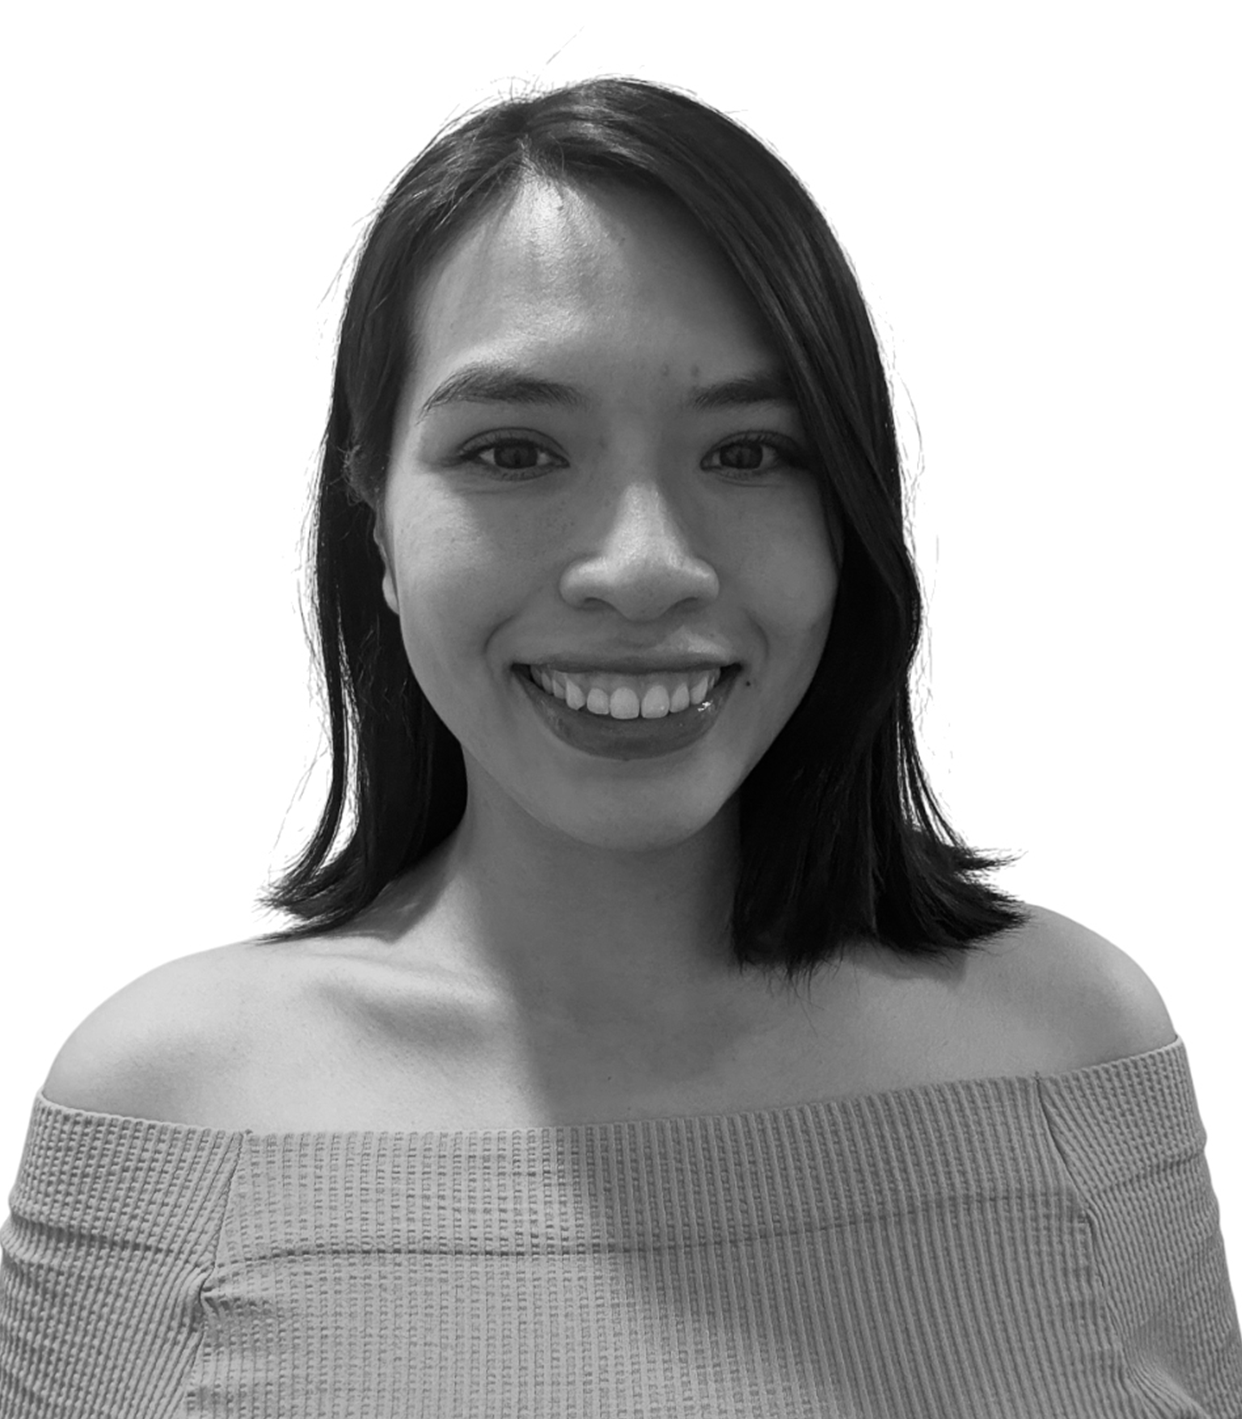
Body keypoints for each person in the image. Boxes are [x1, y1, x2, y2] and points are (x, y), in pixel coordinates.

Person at [1, 76, 1238, 1418]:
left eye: (750, 453)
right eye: (514, 452)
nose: (644, 567)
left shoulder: (1074, 1043)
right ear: (376, 524)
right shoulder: (170, 1110)